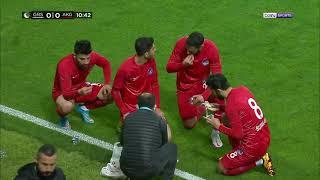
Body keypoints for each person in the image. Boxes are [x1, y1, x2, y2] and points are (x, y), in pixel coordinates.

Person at [204, 74, 275, 176]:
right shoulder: (243, 89)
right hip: (265, 136)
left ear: (218, 91)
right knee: (226, 117)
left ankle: (260, 161)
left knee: (221, 168)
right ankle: (238, 153)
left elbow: (238, 135)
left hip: (253, 147)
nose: (212, 94)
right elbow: (242, 109)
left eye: (212, 91)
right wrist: (220, 107)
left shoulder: (231, 106)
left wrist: (218, 126)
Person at [166, 31, 224, 147]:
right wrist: (183, 64)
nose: (187, 52)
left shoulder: (211, 49)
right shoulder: (181, 44)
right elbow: (169, 68)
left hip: (204, 82)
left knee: (222, 96)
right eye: (187, 49)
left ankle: (216, 131)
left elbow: (217, 77)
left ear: (201, 47)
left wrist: (204, 95)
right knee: (189, 124)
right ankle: (203, 106)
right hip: (185, 85)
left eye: (191, 51)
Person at [52, 40, 113, 129]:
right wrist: (79, 92)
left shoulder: (93, 56)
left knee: (111, 94)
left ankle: (84, 108)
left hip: (81, 87)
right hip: (61, 92)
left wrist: (107, 83)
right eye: (82, 59)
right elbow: (66, 94)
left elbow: (106, 64)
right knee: (67, 106)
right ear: (75, 55)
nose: (86, 62)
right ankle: (63, 118)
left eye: (88, 58)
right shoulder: (65, 65)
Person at [119, 93, 177, 180]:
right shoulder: (159, 121)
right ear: (154, 107)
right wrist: (165, 121)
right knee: (172, 148)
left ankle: (132, 176)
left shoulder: (128, 118)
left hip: (125, 168)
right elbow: (164, 144)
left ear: (137, 106)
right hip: (149, 171)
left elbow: (122, 142)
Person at [112, 37, 163, 123]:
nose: (155, 50)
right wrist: (124, 112)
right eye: (153, 49)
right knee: (137, 131)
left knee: (162, 126)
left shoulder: (151, 61)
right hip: (131, 106)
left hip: (147, 103)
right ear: (146, 54)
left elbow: (154, 84)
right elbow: (115, 91)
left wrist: (157, 106)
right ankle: (122, 124)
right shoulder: (125, 69)